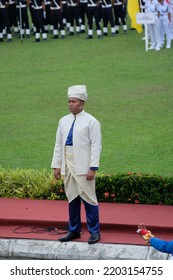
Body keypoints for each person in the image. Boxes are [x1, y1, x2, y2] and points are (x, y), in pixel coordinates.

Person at [51, 85, 102, 244]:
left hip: (83, 165)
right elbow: (58, 144)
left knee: (89, 199)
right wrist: (57, 165)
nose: (70, 104)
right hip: (67, 163)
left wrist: (93, 167)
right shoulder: (63, 121)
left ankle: (94, 231)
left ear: (82, 103)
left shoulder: (92, 122)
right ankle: (74, 230)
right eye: (69, 101)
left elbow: (96, 145)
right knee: (72, 198)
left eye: (73, 101)